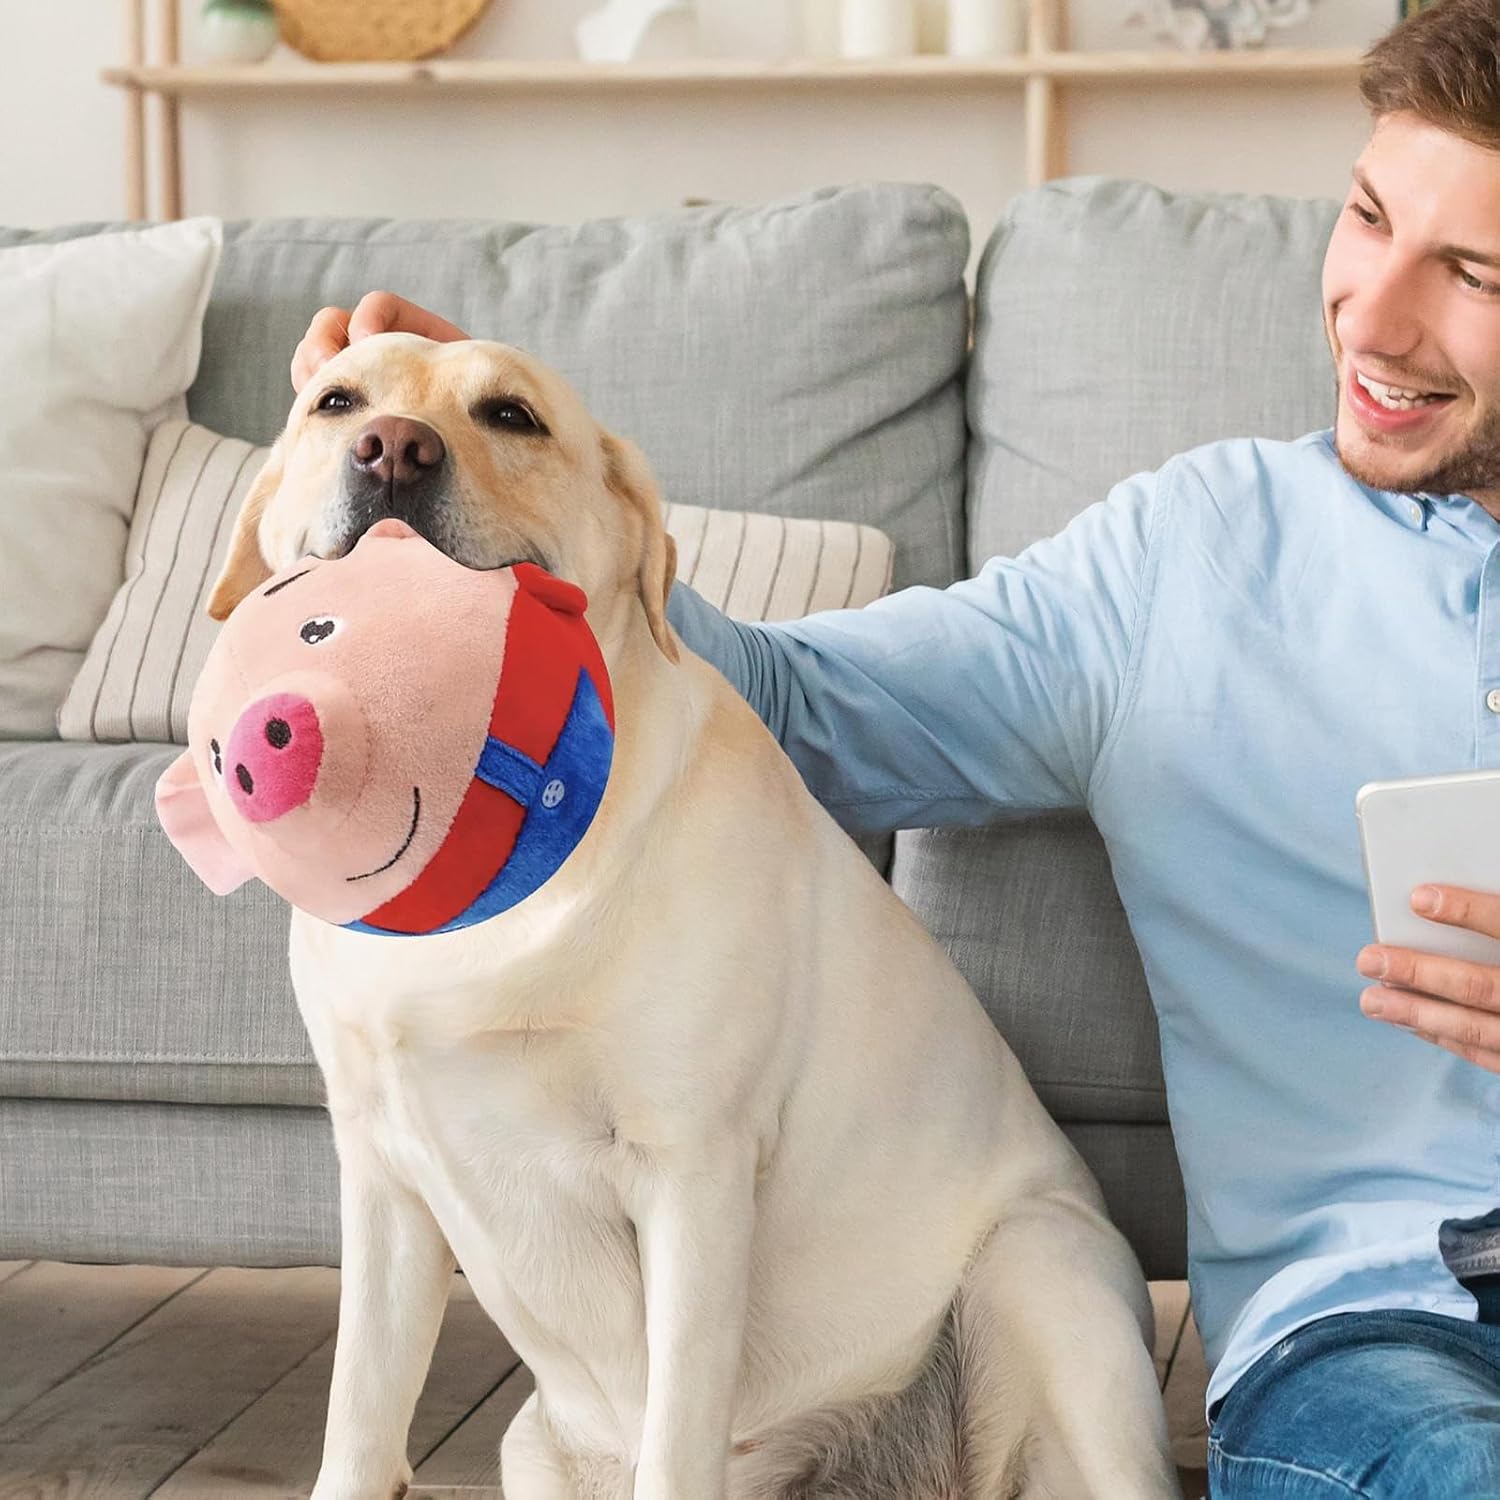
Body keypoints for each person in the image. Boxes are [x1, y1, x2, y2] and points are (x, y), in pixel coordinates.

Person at [290, 2, 1500, 1490]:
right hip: (1377, 1328)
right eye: (1369, 220)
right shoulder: (1185, 564)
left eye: (1472, 276)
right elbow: (795, 709)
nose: (1374, 319)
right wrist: (505, 498)